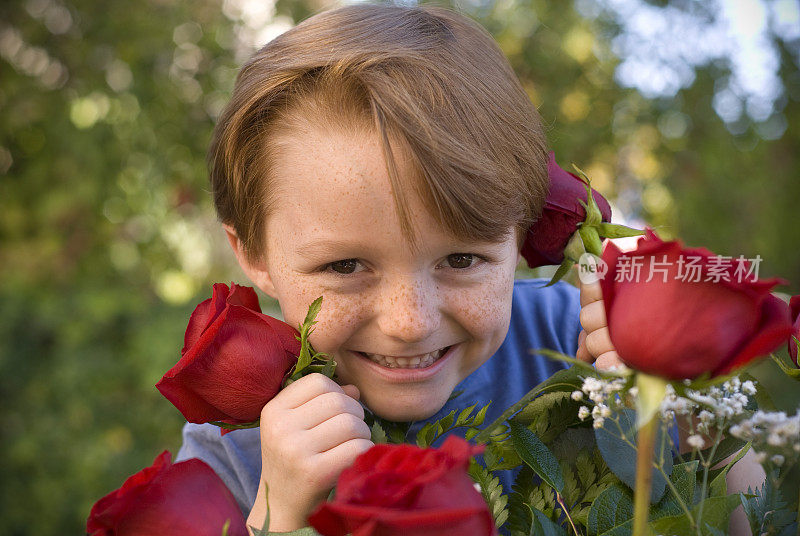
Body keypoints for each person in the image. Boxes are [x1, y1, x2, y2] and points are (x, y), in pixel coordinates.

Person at [175, 4, 758, 534]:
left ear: (520, 232)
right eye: (345, 265)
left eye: (461, 259)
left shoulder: (575, 333)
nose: (410, 322)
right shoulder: (235, 454)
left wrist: (694, 408)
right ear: (253, 253)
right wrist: (276, 520)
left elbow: (755, 516)